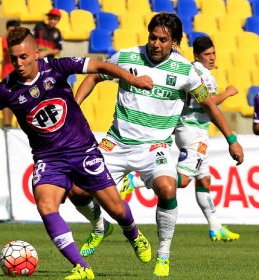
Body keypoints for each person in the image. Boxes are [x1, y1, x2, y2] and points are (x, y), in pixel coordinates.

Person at [0, 27, 154, 280]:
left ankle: (134, 235)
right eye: (14, 58)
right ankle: (81, 268)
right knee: (45, 205)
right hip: (48, 159)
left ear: (36, 54)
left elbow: (101, 67)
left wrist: (134, 79)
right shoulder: (5, 90)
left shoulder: (57, 67)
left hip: (81, 150)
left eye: (24, 57)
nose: (18, 63)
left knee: (116, 209)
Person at [69, 13, 244, 277]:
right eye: (153, 37)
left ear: (174, 42)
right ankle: (99, 227)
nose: (156, 43)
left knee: (168, 187)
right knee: (77, 190)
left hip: (154, 148)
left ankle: (163, 257)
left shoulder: (185, 70)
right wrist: (74, 106)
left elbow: (208, 104)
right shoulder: (127, 57)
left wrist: (232, 139)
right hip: (115, 142)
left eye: (163, 39)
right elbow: (94, 74)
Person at [121, 36, 241, 242]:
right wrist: (228, 93)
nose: (212, 58)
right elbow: (208, 103)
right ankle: (136, 180)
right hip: (194, 133)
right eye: (207, 55)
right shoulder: (201, 74)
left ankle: (215, 226)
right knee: (184, 180)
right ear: (197, 56)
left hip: (192, 129)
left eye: (213, 53)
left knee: (204, 180)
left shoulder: (189, 69)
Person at [1, 19, 21, 127]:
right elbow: (10, 51)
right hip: (7, 73)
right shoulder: (5, 39)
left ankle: (16, 125)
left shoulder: (21, 41)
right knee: (7, 99)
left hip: (18, 72)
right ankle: (7, 123)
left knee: (18, 99)